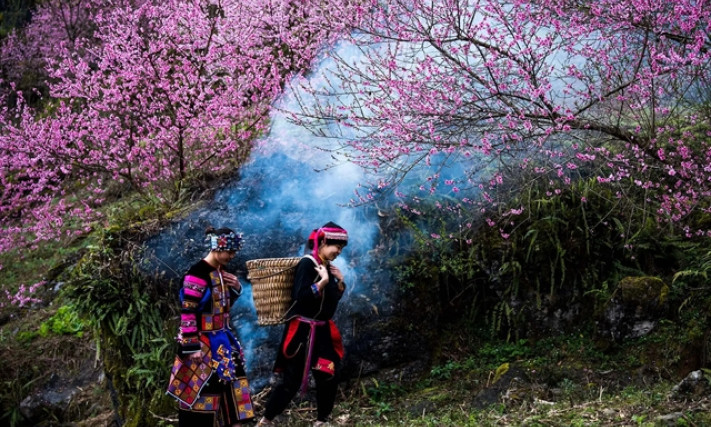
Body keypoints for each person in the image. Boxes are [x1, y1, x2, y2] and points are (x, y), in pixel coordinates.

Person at [257, 222, 349, 427]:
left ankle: (321, 421)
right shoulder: (307, 264)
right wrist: (323, 282)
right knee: (292, 380)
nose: (339, 252)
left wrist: (339, 281)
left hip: (322, 332)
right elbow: (301, 296)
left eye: (342, 249)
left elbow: (330, 300)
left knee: (329, 374)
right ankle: (266, 420)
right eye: (337, 247)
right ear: (323, 242)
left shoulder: (326, 267)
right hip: (303, 333)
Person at [166, 226, 255, 426]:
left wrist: (236, 289)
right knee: (202, 401)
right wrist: (192, 346)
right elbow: (188, 311)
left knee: (235, 403)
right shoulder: (196, 274)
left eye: (234, 252)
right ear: (216, 246)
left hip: (223, 344)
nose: (232, 256)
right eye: (229, 251)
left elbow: (220, 308)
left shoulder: (220, 273)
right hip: (202, 347)